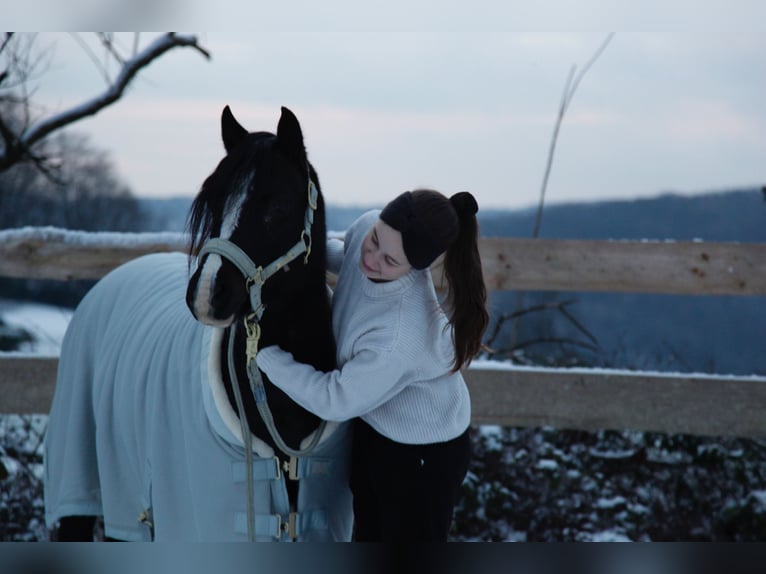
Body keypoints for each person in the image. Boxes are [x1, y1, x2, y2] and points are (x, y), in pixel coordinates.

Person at [256, 188, 489, 542]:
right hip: (375, 424)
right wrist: (296, 252)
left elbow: (334, 398)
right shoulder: (368, 226)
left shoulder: (400, 334)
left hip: (422, 457)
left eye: (390, 261)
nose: (373, 258)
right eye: (376, 239)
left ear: (416, 267)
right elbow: (346, 255)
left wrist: (265, 355)